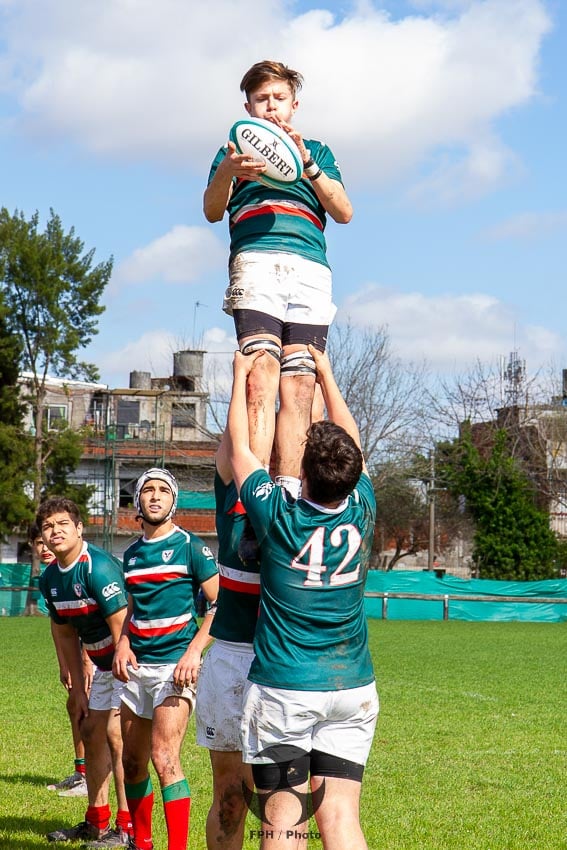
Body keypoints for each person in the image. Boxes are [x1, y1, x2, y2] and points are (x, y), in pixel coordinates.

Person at [227, 346, 379, 850]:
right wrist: (328, 374)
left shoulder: (280, 516)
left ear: (303, 475)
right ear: (353, 477)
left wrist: (239, 376)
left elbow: (241, 453)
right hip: (351, 686)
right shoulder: (362, 509)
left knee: (284, 822)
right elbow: (351, 440)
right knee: (339, 818)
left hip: (287, 690)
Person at [204, 59, 353, 506]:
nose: (271, 107)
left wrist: (308, 164)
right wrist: (230, 172)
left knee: (301, 386)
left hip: (310, 270)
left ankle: (288, 493)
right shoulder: (231, 152)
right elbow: (212, 210)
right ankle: (254, 496)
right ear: (248, 106)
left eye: (279, 98)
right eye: (262, 98)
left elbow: (344, 211)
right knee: (260, 375)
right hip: (256, 262)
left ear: (294, 104)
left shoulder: (320, 151)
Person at [113, 468, 219, 850]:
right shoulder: (132, 554)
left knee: (164, 757)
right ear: (138, 501)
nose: (155, 496)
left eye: (162, 491)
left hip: (175, 669)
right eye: (148, 491)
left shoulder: (191, 546)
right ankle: (141, 842)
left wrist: (193, 652)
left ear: (173, 501)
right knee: (132, 762)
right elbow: (132, 611)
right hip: (136, 670)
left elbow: (219, 603)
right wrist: (123, 644)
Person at [37, 498, 132, 848]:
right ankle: (97, 822)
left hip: (130, 661)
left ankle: (127, 829)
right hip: (101, 661)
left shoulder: (98, 568)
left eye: (63, 523)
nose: (55, 531)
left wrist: (126, 680)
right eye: (48, 527)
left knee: (117, 738)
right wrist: (78, 687)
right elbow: (65, 632)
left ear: (79, 528)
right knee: (91, 731)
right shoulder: (50, 579)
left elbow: (123, 630)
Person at [195, 430, 259, 850]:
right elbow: (231, 444)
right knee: (230, 793)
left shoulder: (301, 505)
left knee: (276, 797)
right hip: (230, 658)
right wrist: (246, 375)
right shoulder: (232, 500)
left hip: (282, 663)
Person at [30, 523, 92, 798]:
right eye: (38, 543)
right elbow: (58, 627)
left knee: (89, 711)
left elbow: (95, 619)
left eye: (46, 542)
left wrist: (86, 659)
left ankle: (92, 775)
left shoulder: (81, 569)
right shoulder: (49, 577)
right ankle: (82, 772)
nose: (44, 548)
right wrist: (64, 664)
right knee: (75, 706)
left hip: (100, 647)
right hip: (76, 648)